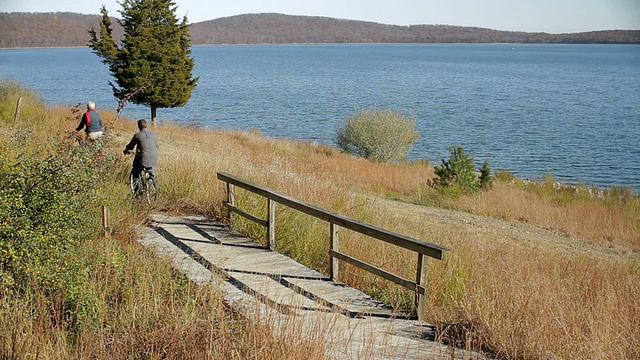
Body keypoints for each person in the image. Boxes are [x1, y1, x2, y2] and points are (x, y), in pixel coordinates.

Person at [123, 119, 158, 191]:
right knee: (152, 169)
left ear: (138, 126)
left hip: (143, 159)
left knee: (135, 171)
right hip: (154, 158)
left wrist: (126, 150)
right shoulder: (154, 135)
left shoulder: (137, 135)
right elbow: (156, 145)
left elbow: (130, 146)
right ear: (146, 125)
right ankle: (154, 183)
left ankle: (137, 191)